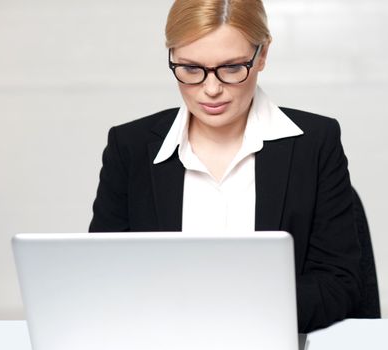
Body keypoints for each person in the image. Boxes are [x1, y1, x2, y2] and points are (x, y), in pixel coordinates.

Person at [89, 0, 362, 333]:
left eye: (232, 68)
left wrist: (235, 313)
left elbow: (338, 285)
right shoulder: (129, 148)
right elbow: (103, 279)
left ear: (262, 55)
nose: (211, 88)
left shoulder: (315, 143)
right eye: (190, 68)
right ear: (172, 56)